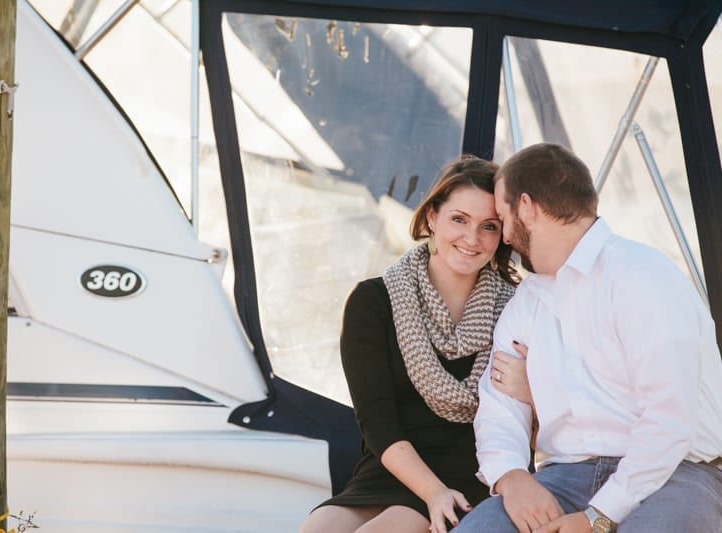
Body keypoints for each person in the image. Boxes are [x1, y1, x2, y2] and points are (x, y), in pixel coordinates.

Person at [454, 142, 722, 533]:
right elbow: (500, 405)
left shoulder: (643, 278)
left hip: (676, 473)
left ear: (526, 207)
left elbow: (670, 418)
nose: (506, 237)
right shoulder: (526, 302)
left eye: (502, 216)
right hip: (566, 478)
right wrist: (512, 477)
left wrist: (599, 516)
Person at [300, 154, 527, 533]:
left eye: (488, 226)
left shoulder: (516, 309)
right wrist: (432, 491)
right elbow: (376, 420)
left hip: (474, 471)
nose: (472, 239)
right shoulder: (374, 301)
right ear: (432, 217)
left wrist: (532, 386)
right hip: (392, 468)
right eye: (459, 219)